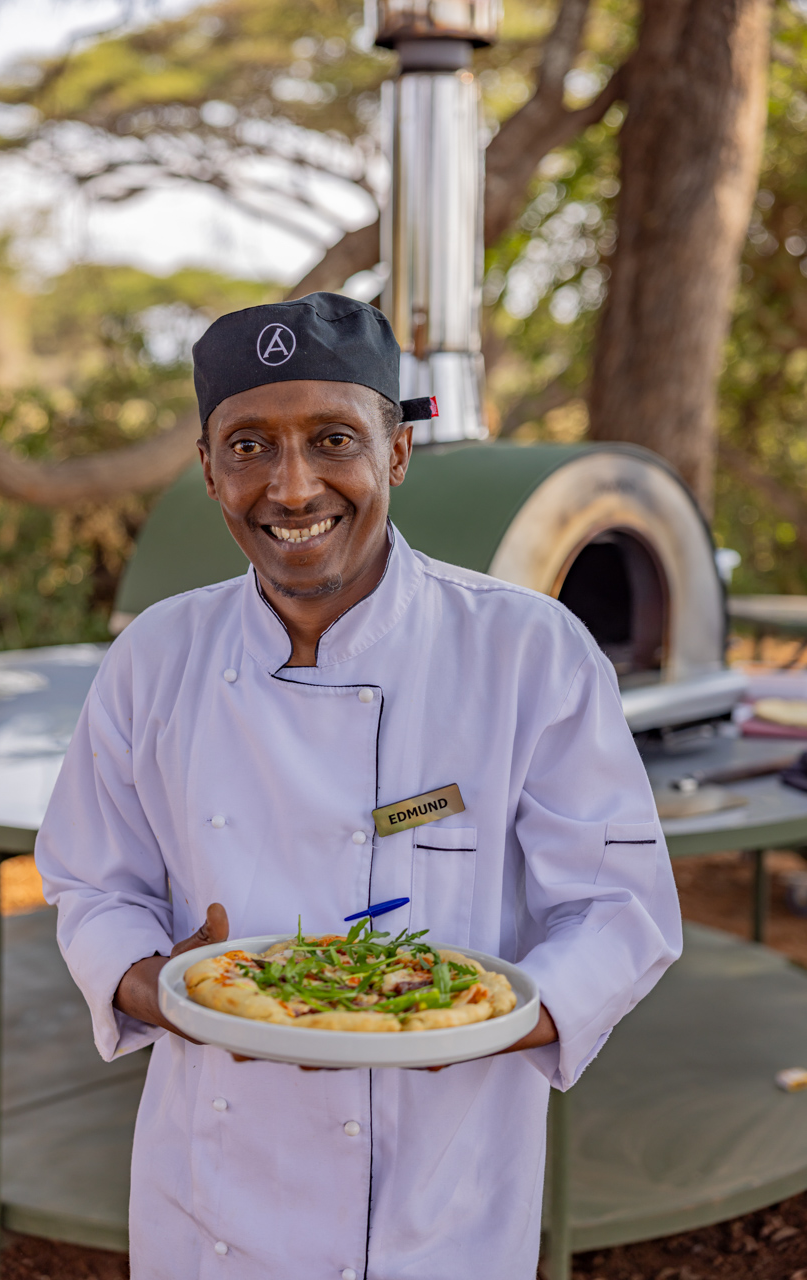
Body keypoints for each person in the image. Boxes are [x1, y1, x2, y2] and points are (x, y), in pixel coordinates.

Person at [36, 292, 682, 1280]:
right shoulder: (155, 655)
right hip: (211, 1187)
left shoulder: (525, 651)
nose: (291, 487)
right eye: (248, 445)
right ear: (208, 469)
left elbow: (617, 906)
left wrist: (478, 1014)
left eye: (331, 437)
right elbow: (91, 881)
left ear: (395, 451)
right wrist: (157, 983)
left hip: (443, 1188)